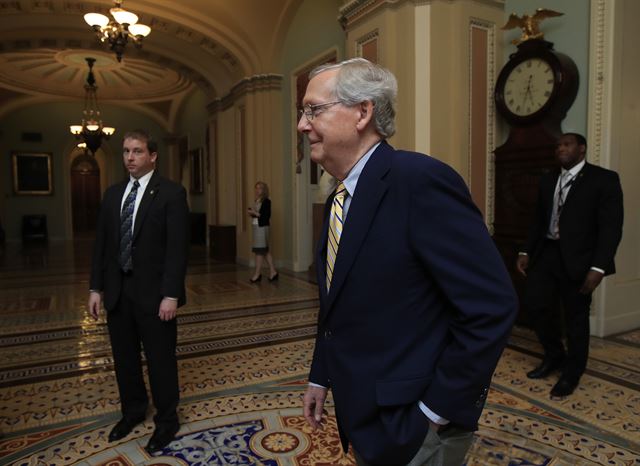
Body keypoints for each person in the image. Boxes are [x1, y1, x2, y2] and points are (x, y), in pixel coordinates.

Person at [298, 58, 518, 466]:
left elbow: (491, 307)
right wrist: (320, 376)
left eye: (314, 110)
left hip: (413, 420)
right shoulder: (338, 198)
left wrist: (433, 413)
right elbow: (337, 304)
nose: (302, 124)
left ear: (362, 111)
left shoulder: (418, 181)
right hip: (363, 411)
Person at [88, 130, 189, 453]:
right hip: (119, 292)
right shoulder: (112, 194)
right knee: (124, 359)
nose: (130, 157)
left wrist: (171, 294)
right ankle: (132, 411)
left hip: (155, 294)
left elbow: (177, 249)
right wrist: (95, 288)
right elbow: (102, 246)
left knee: (160, 361)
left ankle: (167, 420)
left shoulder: (171, 194)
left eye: (137, 151)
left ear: (153, 155)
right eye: (126, 152)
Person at [516, 133, 623, 397]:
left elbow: (611, 228)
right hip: (547, 254)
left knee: (575, 318)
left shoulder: (604, 179)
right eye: (558, 145)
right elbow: (538, 221)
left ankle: (572, 372)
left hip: (580, 260)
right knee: (537, 305)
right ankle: (554, 356)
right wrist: (525, 250)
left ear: (582, 149)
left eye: (567, 144)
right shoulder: (548, 180)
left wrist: (598, 268)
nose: (560, 149)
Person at [247, 181, 278, 282]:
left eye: (259, 188)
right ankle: (273, 272)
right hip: (257, 227)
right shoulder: (257, 200)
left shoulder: (267, 201)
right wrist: (251, 213)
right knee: (264, 251)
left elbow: (265, 216)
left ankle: (257, 274)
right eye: (256, 188)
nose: (257, 190)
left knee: (259, 252)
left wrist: (254, 213)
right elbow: (257, 215)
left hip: (262, 228)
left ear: (264, 190)